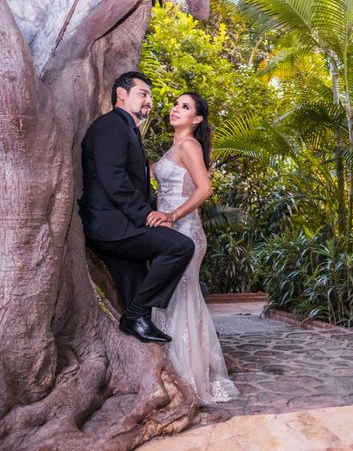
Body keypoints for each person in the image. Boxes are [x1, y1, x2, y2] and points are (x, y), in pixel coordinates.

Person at [79, 71, 195, 344]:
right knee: (179, 247)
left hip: (119, 225)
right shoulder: (110, 126)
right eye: (143, 94)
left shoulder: (126, 129)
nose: (149, 101)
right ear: (122, 94)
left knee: (136, 283)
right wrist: (147, 217)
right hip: (111, 226)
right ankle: (134, 316)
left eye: (150, 97)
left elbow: (134, 183)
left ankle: (136, 324)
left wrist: (156, 209)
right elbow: (115, 180)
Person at [151, 92, 238, 403]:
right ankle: (175, 372)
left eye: (185, 107)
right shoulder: (174, 147)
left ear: (197, 119)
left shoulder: (188, 145)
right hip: (169, 232)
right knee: (173, 298)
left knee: (182, 298)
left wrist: (172, 215)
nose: (176, 109)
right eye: (175, 104)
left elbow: (205, 189)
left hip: (184, 231)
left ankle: (190, 378)